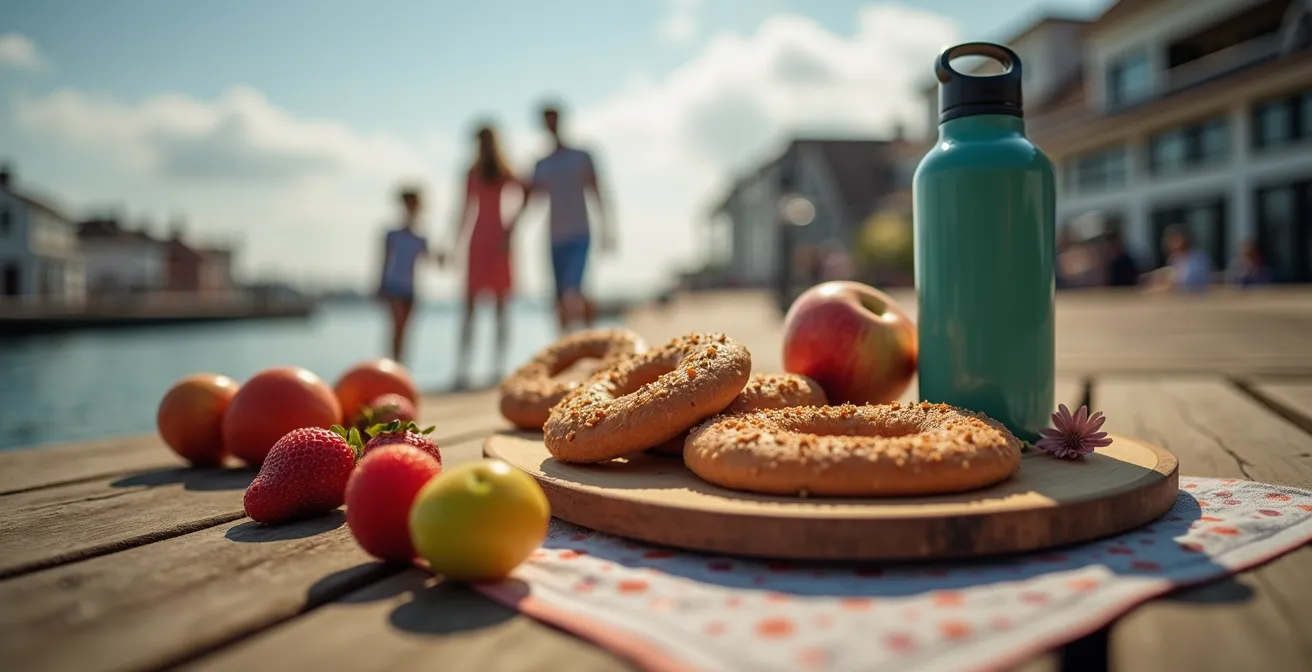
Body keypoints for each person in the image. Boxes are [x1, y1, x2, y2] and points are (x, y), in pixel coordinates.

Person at [524, 102, 614, 335]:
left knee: (572, 291)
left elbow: (598, 193)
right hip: (555, 238)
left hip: (580, 234)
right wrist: (511, 229)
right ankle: (565, 347)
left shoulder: (582, 156)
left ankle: (591, 338)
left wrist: (608, 229)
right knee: (559, 296)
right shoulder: (541, 164)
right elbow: (531, 200)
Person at [445, 123, 524, 389]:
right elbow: (463, 211)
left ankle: (498, 369)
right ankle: (462, 371)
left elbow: (528, 191)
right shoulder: (472, 173)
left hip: (500, 241)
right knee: (469, 309)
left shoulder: (505, 171)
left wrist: (512, 228)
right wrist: (454, 245)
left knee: (501, 309)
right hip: (478, 241)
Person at [376, 186, 432, 363]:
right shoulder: (392, 235)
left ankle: (400, 367)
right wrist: (380, 285)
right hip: (394, 286)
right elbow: (383, 261)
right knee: (396, 328)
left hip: (410, 289)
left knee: (405, 331)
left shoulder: (420, 238)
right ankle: (393, 365)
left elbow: (429, 260)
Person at [1161, 225, 1213, 293]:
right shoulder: (1173, 260)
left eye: (1177, 240)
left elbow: (1197, 281)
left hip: (1198, 298)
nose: (1174, 244)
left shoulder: (1198, 258)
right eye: (1172, 241)